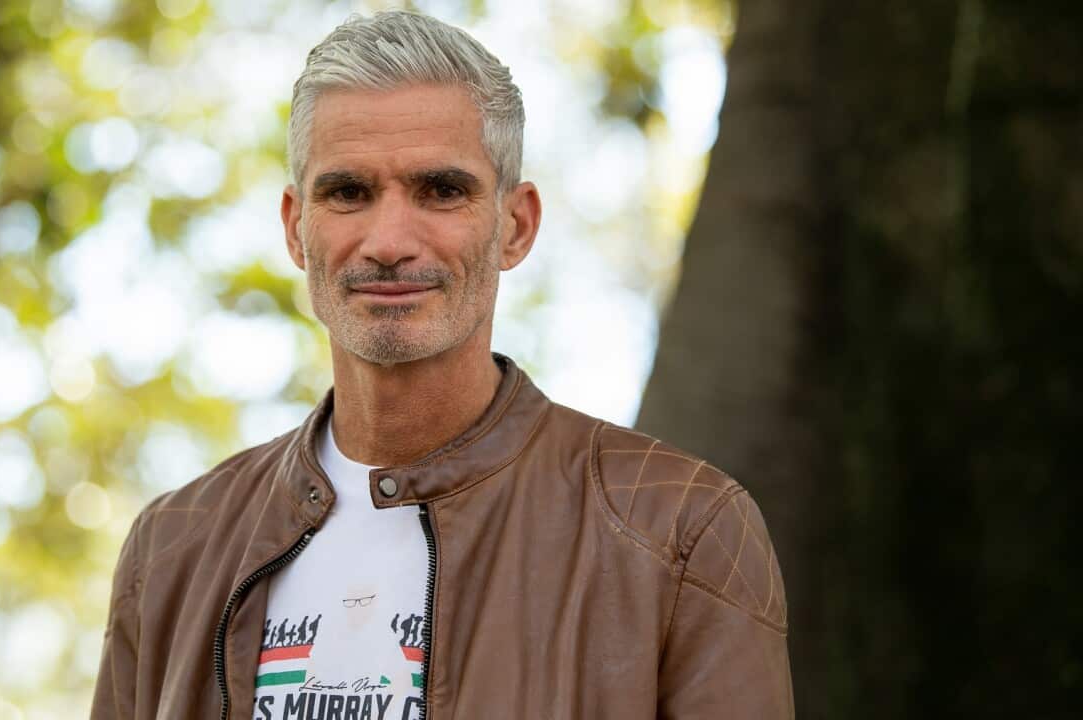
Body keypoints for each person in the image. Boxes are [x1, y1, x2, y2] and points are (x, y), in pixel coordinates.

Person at [91, 10, 792, 720]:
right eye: (348, 193)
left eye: (441, 190)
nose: (390, 240)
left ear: (514, 226)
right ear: (295, 228)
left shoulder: (679, 529)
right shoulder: (174, 547)